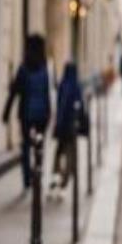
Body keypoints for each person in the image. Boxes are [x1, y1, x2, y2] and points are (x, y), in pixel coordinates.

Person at [3, 34, 51, 192]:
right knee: (39, 145)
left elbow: (14, 92)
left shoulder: (23, 68)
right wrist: (49, 113)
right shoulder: (44, 68)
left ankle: (27, 179)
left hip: (25, 114)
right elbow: (46, 94)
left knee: (25, 146)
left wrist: (6, 112)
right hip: (42, 114)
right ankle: (38, 172)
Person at [48, 62, 84, 199]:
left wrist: (57, 124)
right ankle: (64, 181)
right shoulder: (76, 86)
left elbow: (59, 106)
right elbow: (80, 107)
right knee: (70, 155)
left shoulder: (62, 85)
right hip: (71, 127)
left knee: (58, 152)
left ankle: (55, 177)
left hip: (61, 126)